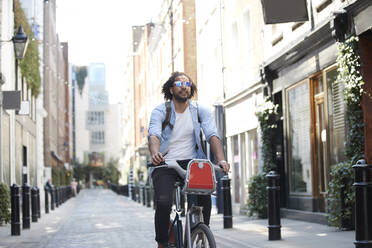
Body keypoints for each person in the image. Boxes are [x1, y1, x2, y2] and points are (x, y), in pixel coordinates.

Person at [148, 71, 230, 248]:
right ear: (171, 89)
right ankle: (162, 242)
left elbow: (212, 135)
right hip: (165, 163)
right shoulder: (161, 111)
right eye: (179, 84)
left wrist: (221, 160)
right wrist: (155, 153)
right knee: (163, 202)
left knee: (204, 197)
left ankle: (201, 232)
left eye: (187, 84)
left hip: (193, 162)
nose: (184, 87)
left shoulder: (200, 111)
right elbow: (154, 134)